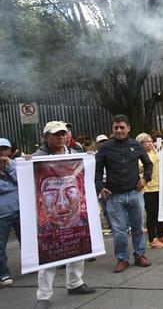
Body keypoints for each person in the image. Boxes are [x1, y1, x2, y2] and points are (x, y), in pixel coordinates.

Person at [33, 121, 95, 309]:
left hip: (75, 213)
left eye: (64, 133)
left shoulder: (76, 155)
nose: (62, 137)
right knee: (49, 254)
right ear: (46, 137)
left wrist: (90, 159)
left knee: (78, 247)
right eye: (56, 134)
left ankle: (75, 283)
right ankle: (43, 296)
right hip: (49, 218)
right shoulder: (36, 159)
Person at [95, 115, 153, 273]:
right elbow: (98, 170)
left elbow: (148, 164)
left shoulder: (136, 145)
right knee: (119, 230)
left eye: (122, 127)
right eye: (116, 128)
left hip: (135, 193)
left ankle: (140, 255)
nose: (119, 130)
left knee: (138, 227)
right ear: (112, 129)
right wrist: (100, 187)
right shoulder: (105, 148)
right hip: (114, 196)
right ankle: (122, 258)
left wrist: (145, 179)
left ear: (128, 128)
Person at [136, 133, 163, 250]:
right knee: (152, 214)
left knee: (160, 213)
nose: (150, 143)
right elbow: (144, 166)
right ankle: (152, 238)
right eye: (147, 141)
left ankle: (161, 234)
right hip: (148, 188)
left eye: (151, 141)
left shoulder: (153, 152)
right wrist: (156, 154)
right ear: (141, 144)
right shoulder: (140, 155)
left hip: (158, 186)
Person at [0, 138, 20, 287]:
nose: (2, 153)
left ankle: (33, 265)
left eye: (5, 149)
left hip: (20, 210)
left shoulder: (14, 164)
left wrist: (8, 168)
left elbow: (22, 181)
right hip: (2, 214)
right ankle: (3, 273)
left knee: (27, 241)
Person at [95, 135, 111, 234]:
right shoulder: (93, 156)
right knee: (105, 208)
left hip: (111, 183)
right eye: (101, 141)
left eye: (105, 141)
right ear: (97, 144)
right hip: (101, 184)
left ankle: (126, 226)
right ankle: (111, 227)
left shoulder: (113, 153)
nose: (103, 143)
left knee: (116, 207)